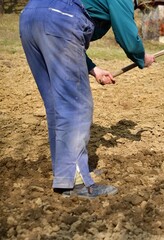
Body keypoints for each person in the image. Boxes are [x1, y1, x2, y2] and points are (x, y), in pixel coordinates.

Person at [19, 0, 155, 198]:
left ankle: (67, 174)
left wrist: (94, 69)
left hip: (31, 16)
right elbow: (125, 33)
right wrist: (141, 56)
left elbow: (61, 25)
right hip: (60, 19)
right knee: (75, 106)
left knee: (57, 106)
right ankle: (76, 182)